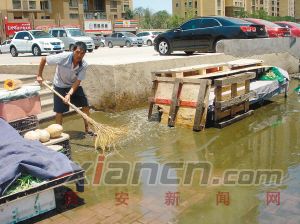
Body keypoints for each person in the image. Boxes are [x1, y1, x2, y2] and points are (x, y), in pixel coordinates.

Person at [37, 41, 94, 135]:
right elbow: (44, 59)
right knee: (59, 111)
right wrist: (39, 75)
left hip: (73, 86)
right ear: (73, 51)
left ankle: (88, 128)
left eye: (82, 53)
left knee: (85, 105)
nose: (79, 55)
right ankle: (57, 132)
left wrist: (69, 94)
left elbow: (77, 81)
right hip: (59, 85)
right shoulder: (63, 57)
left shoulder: (84, 65)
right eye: (77, 52)